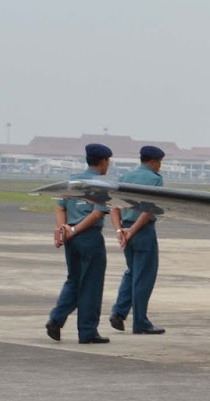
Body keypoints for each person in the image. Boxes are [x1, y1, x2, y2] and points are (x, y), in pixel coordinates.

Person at [46, 143, 113, 344]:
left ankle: (56, 319)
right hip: (88, 236)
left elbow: (59, 208)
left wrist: (63, 230)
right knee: (91, 284)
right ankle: (87, 331)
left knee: (74, 280)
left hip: (71, 238)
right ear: (103, 162)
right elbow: (97, 213)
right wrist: (74, 229)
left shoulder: (72, 181)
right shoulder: (100, 184)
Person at [109, 145, 167, 335]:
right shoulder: (155, 180)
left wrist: (120, 230)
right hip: (141, 232)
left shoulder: (125, 177)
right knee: (144, 277)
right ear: (153, 162)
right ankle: (140, 322)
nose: (160, 167)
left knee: (132, 273)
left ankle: (118, 312)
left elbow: (113, 207)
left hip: (125, 228)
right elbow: (148, 210)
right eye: (159, 163)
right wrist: (133, 230)